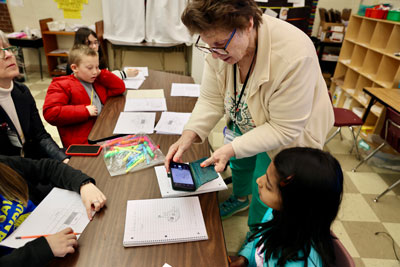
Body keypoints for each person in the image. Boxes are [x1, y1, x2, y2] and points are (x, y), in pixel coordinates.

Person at [165, 0, 334, 228]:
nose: (214, 55)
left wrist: (230, 148)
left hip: (285, 132)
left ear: (248, 24)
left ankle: (253, 243)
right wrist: (189, 134)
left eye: (220, 44)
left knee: (266, 186)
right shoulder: (220, 47)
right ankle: (239, 198)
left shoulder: (294, 55)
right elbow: (211, 98)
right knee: (240, 164)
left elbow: (283, 128)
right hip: (244, 115)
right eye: (207, 45)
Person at [230, 147, 343, 267]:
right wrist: (245, 258)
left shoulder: (296, 263)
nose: (259, 181)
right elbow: (260, 237)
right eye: (265, 175)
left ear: (294, 205)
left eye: (268, 186)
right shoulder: (277, 213)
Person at [0, 155, 107, 266]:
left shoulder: (4, 164)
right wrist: (43, 249)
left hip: (54, 232)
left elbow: (48, 168)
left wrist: (83, 185)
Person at [0, 30, 68, 163]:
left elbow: (40, 136)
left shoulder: (22, 92)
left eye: (7, 48)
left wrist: (64, 161)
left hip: (35, 163)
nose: (8, 54)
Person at [43, 45, 126, 148]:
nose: (95, 71)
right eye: (90, 68)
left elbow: (120, 88)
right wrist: (85, 111)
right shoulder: (61, 85)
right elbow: (50, 113)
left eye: (97, 67)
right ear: (74, 68)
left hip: (103, 131)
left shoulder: (96, 80)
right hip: (84, 142)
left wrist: (101, 73)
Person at [66, 27, 139, 79]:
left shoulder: (98, 56)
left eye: (96, 42)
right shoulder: (76, 63)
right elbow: (100, 79)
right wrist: (124, 74)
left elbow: (104, 73)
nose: (94, 46)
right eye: (89, 43)